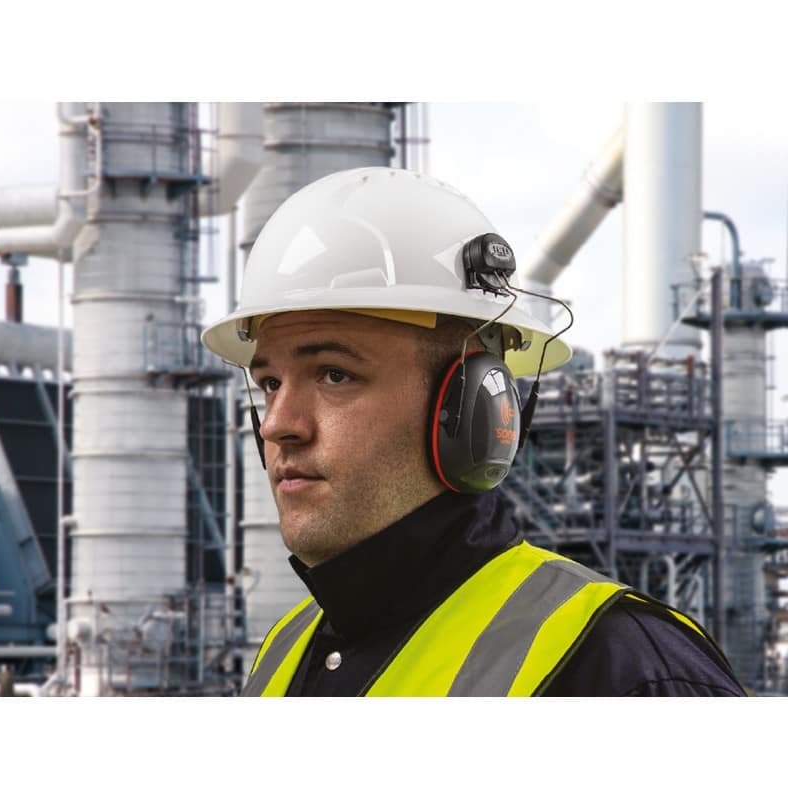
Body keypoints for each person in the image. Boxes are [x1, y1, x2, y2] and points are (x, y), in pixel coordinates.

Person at [202, 167, 744, 697]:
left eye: (334, 374)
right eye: (269, 383)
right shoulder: (284, 651)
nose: (277, 424)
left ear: (471, 405)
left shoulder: (620, 669)